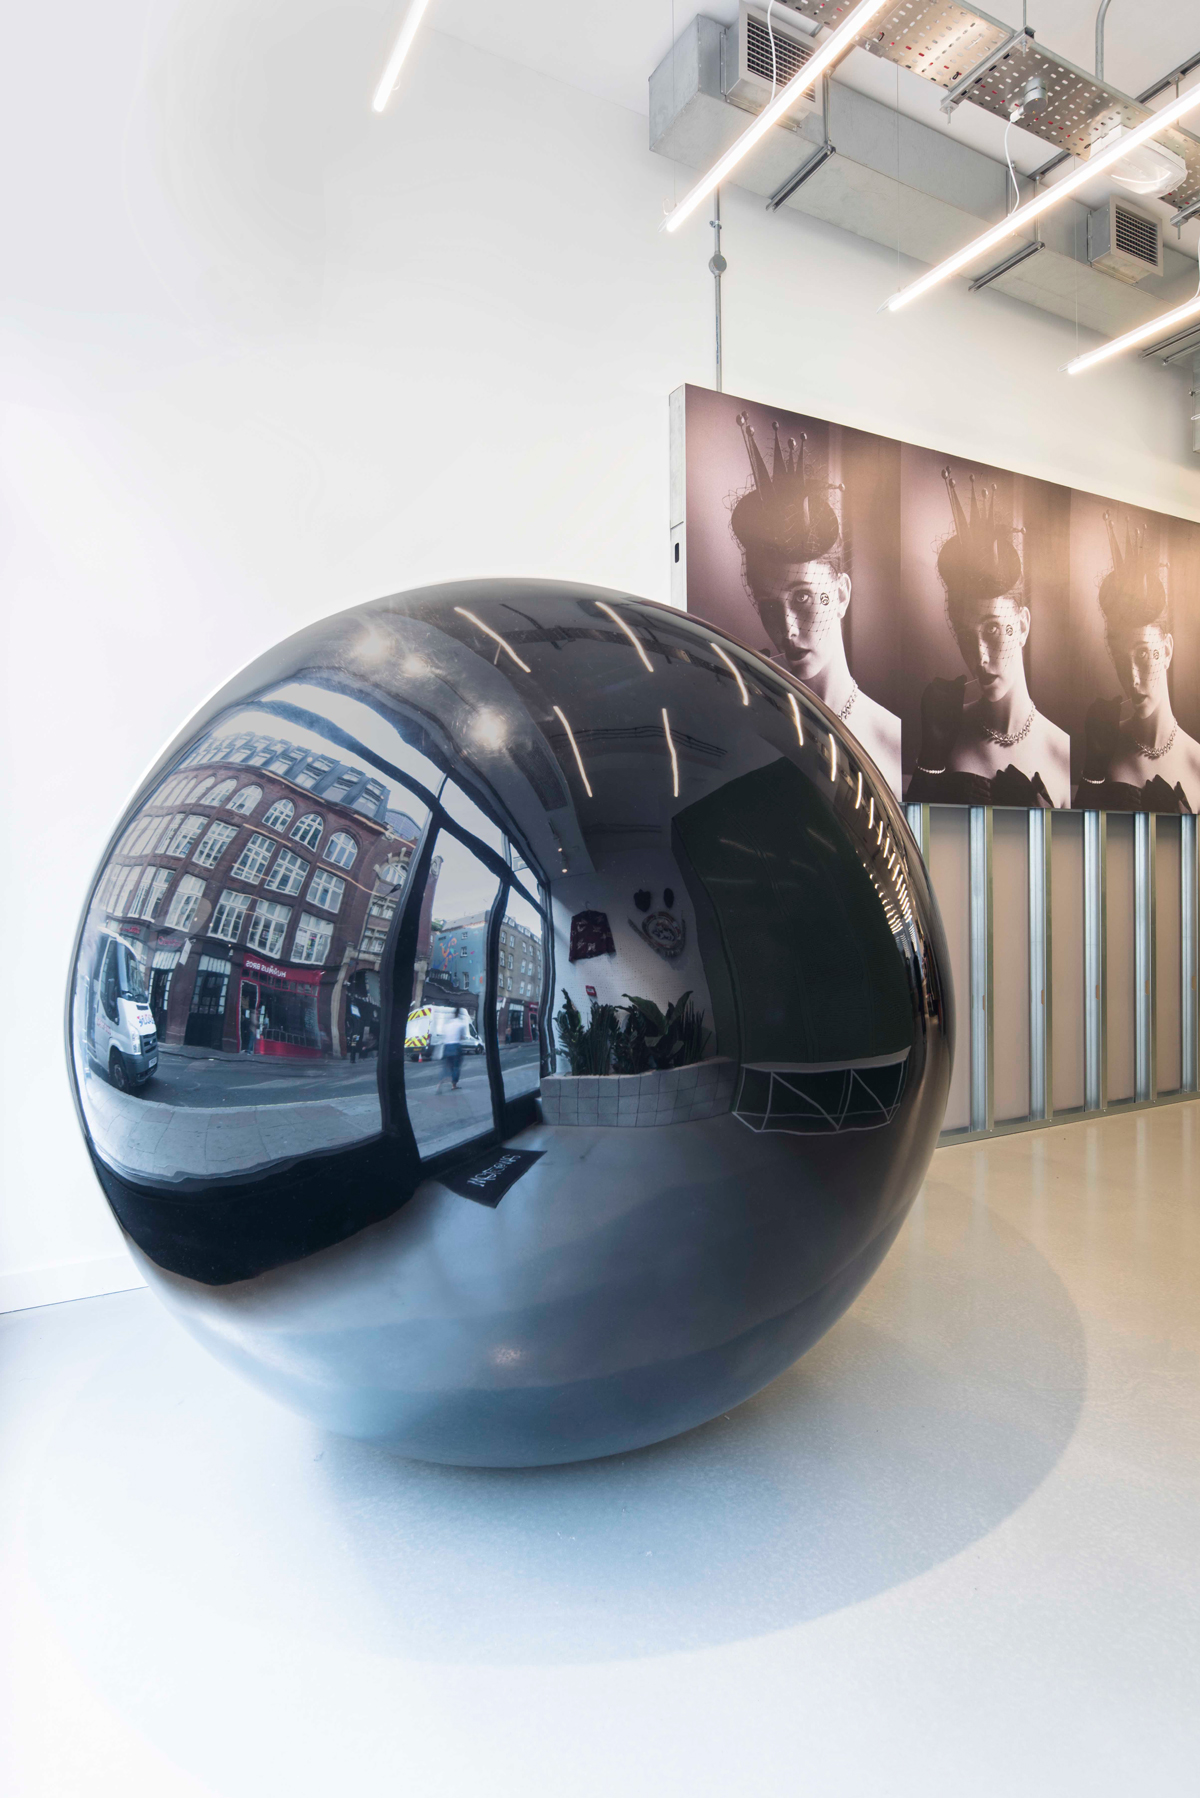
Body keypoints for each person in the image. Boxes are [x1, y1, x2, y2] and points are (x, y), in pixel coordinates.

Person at [730, 415, 903, 796]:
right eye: (769, 607)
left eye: (803, 597)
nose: (787, 630)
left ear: (840, 594)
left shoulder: (891, 740)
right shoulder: (743, 721)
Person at [907, 469, 1070, 807]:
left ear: (1022, 626)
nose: (979, 657)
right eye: (966, 635)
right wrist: (931, 762)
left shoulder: (1062, 750)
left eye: (993, 629)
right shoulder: (946, 737)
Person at [1074, 513, 1200, 812]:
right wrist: (1094, 772)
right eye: (1121, 658)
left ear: (1166, 650)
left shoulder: (1196, 763)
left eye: (1143, 654)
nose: (1131, 679)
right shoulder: (1102, 748)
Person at [436, 1006, 470, 1094]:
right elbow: (462, 1037)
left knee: (446, 1067)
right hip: (456, 1047)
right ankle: (454, 1085)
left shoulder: (447, 1024)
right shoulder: (461, 1024)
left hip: (447, 1047)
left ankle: (439, 1084)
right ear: (459, 1014)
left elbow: (445, 1036)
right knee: (456, 1067)